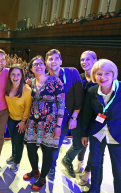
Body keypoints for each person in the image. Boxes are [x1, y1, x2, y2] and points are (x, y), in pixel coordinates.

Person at [77, 59, 121, 193]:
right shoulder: (92, 91)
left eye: (106, 73)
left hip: (120, 136)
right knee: (95, 165)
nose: (102, 77)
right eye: (98, 74)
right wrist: (84, 134)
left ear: (113, 74)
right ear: (94, 75)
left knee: (119, 173)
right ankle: (94, 190)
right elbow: (87, 115)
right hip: (98, 133)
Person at [23, 55, 65, 191]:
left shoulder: (55, 81)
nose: (38, 66)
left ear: (45, 66)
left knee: (47, 151)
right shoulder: (31, 83)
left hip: (50, 123)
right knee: (30, 148)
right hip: (33, 122)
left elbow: (61, 104)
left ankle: (43, 178)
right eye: (35, 64)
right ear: (31, 68)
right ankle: (35, 170)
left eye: (41, 63)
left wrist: (58, 125)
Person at [45, 49, 84, 180]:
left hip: (70, 117)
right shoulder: (44, 79)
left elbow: (79, 96)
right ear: (46, 63)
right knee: (53, 144)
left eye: (56, 58)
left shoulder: (72, 72)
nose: (53, 61)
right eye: (50, 59)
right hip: (54, 119)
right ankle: (50, 165)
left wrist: (74, 116)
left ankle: (59, 163)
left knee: (69, 144)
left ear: (61, 61)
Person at [74, 51, 97, 185]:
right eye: (82, 59)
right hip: (81, 117)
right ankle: (79, 163)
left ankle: (87, 172)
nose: (84, 62)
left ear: (95, 60)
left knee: (94, 147)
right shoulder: (79, 77)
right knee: (81, 144)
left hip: (96, 120)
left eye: (88, 59)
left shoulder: (99, 78)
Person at [5, 64, 32, 172]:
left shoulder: (27, 89)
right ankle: (13, 155)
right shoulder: (8, 86)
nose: (15, 77)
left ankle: (16, 161)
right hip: (11, 118)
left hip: (21, 121)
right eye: (13, 74)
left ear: (22, 76)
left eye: (18, 74)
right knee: (13, 139)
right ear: (10, 76)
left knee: (18, 142)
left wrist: (23, 121)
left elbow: (27, 108)